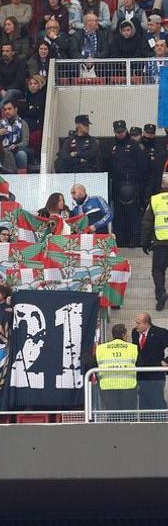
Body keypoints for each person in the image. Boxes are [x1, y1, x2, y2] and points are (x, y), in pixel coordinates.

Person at [95, 323, 139, 410]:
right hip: (128, 386)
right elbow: (140, 365)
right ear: (123, 334)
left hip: (107, 386)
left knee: (112, 416)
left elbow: (95, 364)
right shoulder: (132, 348)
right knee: (129, 417)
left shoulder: (101, 348)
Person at [141, 173, 168, 310]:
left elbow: (147, 222)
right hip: (160, 242)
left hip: (160, 242)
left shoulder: (155, 200)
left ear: (162, 185)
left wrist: (145, 242)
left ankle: (161, 294)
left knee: (158, 270)